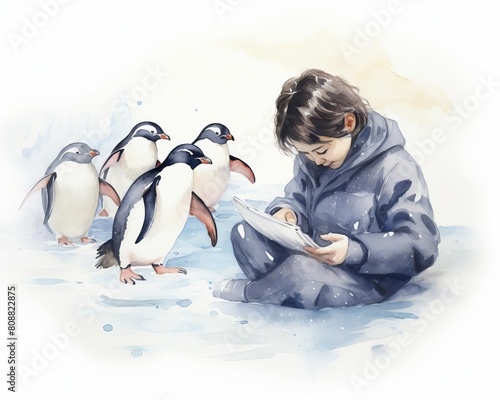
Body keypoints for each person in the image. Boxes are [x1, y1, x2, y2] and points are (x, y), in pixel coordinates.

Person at [213, 69, 440, 310]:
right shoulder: (313, 160)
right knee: (244, 234)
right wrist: (287, 213)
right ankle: (287, 286)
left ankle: (257, 291)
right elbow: (297, 196)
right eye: (306, 154)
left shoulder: (395, 167)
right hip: (313, 254)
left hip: (365, 276)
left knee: (300, 271)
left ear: (349, 123)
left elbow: (422, 243)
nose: (316, 161)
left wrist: (355, 251)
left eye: (321, 151)